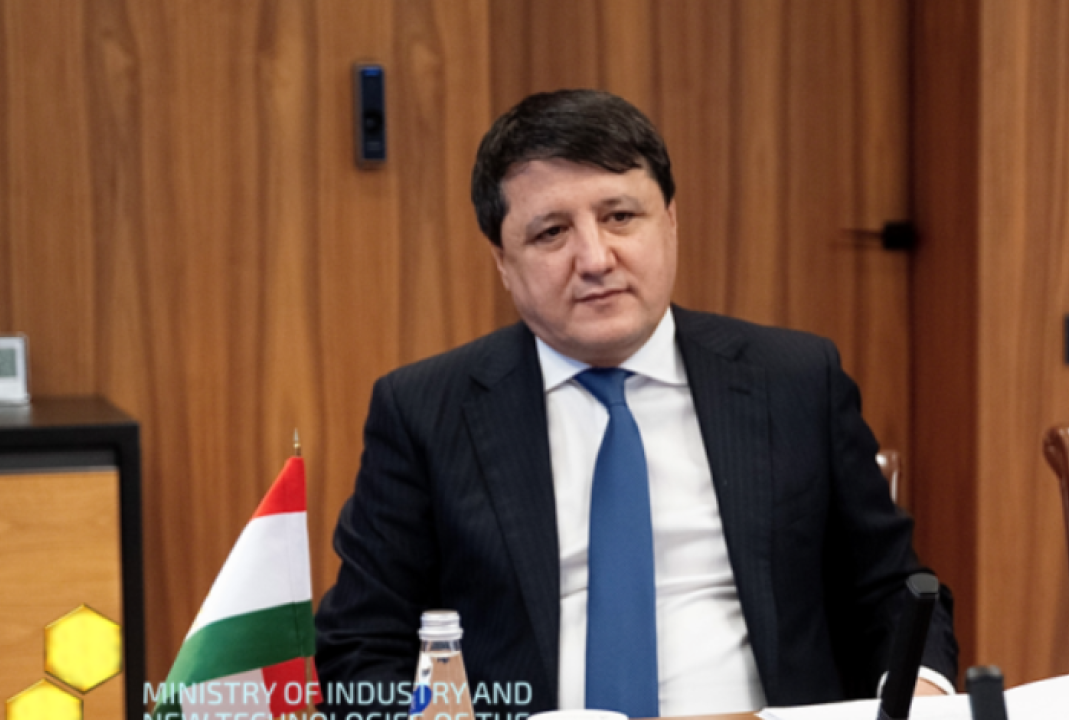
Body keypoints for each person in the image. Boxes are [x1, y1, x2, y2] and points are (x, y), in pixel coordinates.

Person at [314, 89, 957, 719]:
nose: (596, 259)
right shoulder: (425, 411)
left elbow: (893, 589)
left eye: (620, 217)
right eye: (551, 232)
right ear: (502, 262)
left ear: (670, 221)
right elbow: (359, 646)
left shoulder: (794, 380)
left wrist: (922, 692)